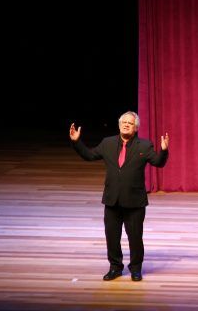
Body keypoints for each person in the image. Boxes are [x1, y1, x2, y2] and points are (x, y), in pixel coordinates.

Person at [69, 111, 169, 281]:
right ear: (119, 124)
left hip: (134, 202)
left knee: (135, 238)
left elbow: (158, 162)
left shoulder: (144, 146)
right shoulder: (108, 143)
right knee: (112, 237)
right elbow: (89, 155)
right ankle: (115, 267)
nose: (126, 124)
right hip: (112, 200)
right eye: (124, 122)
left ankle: (136, 269)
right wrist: (76, 142)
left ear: (136, 128)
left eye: (130, 123)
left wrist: (164, 151)